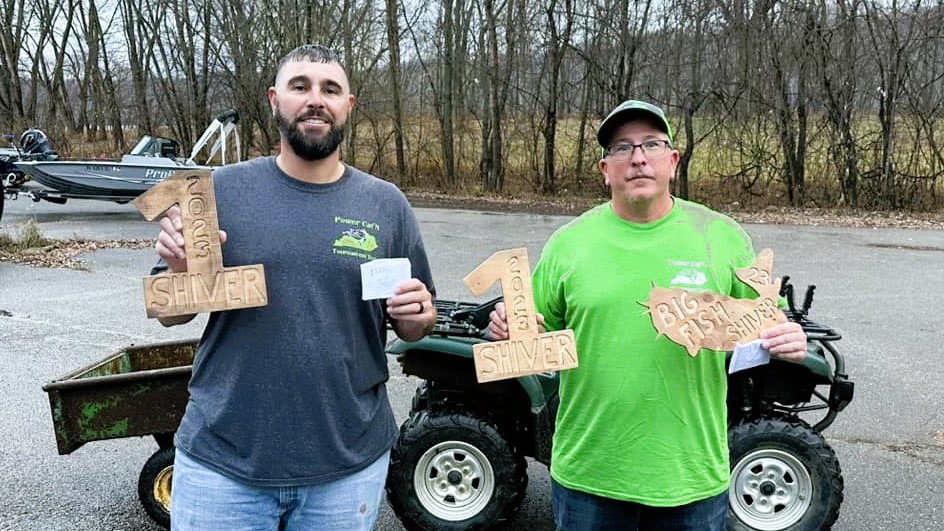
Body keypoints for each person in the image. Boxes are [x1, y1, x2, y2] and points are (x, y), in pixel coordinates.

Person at [150, 44, 437, 530]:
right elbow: (168, 311)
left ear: (349, 105)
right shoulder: (216, 190)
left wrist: (417, 317)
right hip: (225, 461)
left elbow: (417, 322)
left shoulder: (386, 204)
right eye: (299, 86)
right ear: (274, 99)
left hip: (346, 466)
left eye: (330, 89)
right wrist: (179, 269)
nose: (315, 99)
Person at [487, 100, 808, 530]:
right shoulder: (569, 244)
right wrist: (508, 325)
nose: (637, 157)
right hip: (590, 476)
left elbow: (770, 322)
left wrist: (789, 337)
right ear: (605, 169)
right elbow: (534, 335)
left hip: (689, 476)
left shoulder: (721, 237)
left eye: (651, 144)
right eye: (622, 148)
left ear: (672, 161)